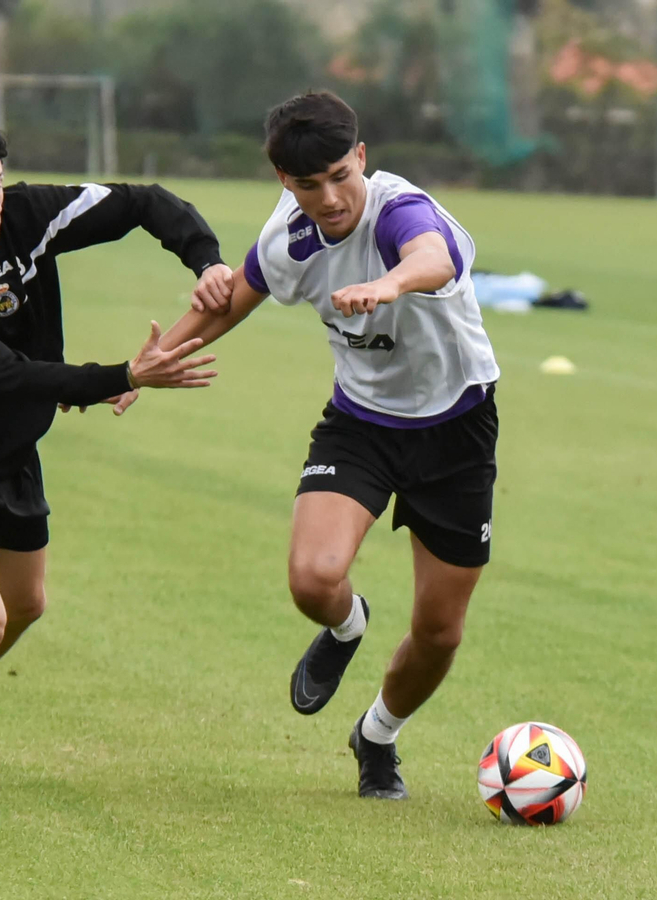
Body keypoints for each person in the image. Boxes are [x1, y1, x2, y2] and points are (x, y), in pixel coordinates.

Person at [159, 91, 500, 800]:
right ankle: (348, 629)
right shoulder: (290, 236)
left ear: (363, 159)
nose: (332, 196)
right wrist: (143, 367)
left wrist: (388, 284)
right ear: (285, 180)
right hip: (362, 424)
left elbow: (432, 258)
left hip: (457, 428)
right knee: (313, 579)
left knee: (439, 633)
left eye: (342, 175)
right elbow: (229, 301)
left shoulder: (401, 211)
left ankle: (377, 736)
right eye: (309, 185)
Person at [0, 118, 231, 792]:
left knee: (26, 606)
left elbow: (141, 201)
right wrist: (121, 378)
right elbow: (9, 375)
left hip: (11, 457)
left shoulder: (26, 215)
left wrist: (207, 260)